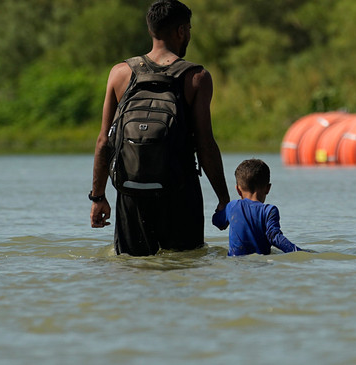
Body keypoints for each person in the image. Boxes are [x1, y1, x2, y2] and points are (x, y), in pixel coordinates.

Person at [89, 0, 230, 256]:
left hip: (131, 191)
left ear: (150, 29)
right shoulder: (196, 77)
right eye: (188, 29)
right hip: (180, 190)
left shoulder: (120, 73)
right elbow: (205, 144)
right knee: (184, 263)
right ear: (181, 31)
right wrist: (223, 199)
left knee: (133, 267)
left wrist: (98, 198)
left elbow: (103, 141)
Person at [212, 159, 304, 256]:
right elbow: (274, 237)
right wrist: (299, 252)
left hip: (236, 264)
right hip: (261, 264)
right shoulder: (269, 210)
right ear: (268, 188)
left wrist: (221, 208)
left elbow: (218, 222)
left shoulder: (232, 206)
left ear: (238, 190)